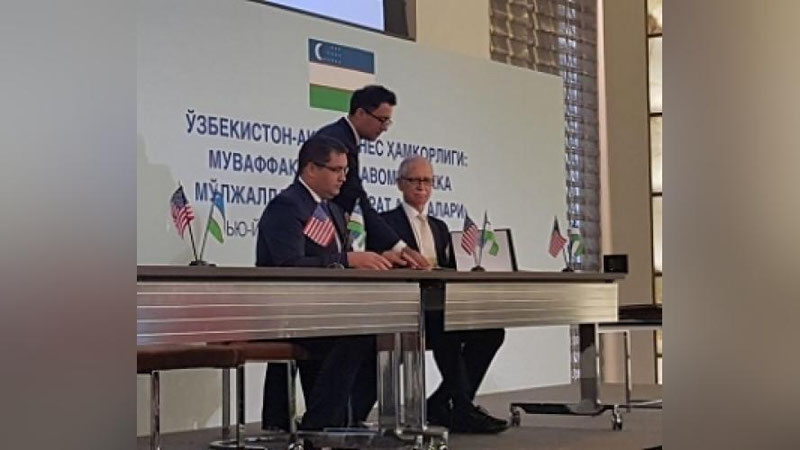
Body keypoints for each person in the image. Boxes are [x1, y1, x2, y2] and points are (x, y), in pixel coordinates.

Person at [256, 135, 387, 431]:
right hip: (286, 313)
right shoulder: (287, 206)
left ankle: (338, 421)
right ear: (311, 169)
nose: (343, 177)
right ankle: (321, 425)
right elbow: (288, 266)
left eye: (346, 170)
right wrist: (347, 260)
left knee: (378, 330)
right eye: (336, 170)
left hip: (324, 311)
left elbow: (340, 256)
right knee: (357, 334)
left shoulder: (332, 209)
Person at [381, 156, 508, 434]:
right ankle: (461, 408)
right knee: (445, 328)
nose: (421, 187)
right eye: (414, 180)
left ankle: (444, 403)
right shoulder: (384, 222)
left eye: (427, 181)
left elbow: (449, 267)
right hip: (407, 309)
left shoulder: (439, 226)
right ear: (400, 184)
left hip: (441, 305)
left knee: (492, 332)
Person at [314, 84, 430, 269]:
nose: (384, 128)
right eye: (382, 120)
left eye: (388, 122)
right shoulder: (337, 140)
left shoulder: (344, 136)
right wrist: (400, 247)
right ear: (360, 113)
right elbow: (355, 200)